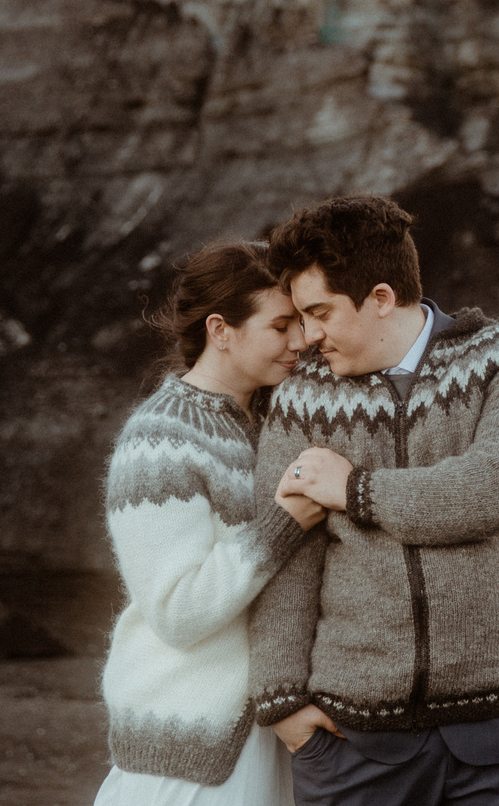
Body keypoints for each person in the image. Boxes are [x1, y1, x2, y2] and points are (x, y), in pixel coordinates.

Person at [248, 195, 499, 806]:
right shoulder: (301, 398)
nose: (307, 337)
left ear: (382, 297)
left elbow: (494, 491)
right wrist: (283, 699)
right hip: (352, 741)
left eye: (320, 313)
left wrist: (352, 489)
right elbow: (283, 548)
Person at [96, 240, 326, 806]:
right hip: (191, 743)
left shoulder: (281, 418)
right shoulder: (159, 441)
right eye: (280, 326)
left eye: (301, 322)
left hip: (277, 729)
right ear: (221, 330)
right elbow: (178, 609)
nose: (301, 341)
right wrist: (283, 523)